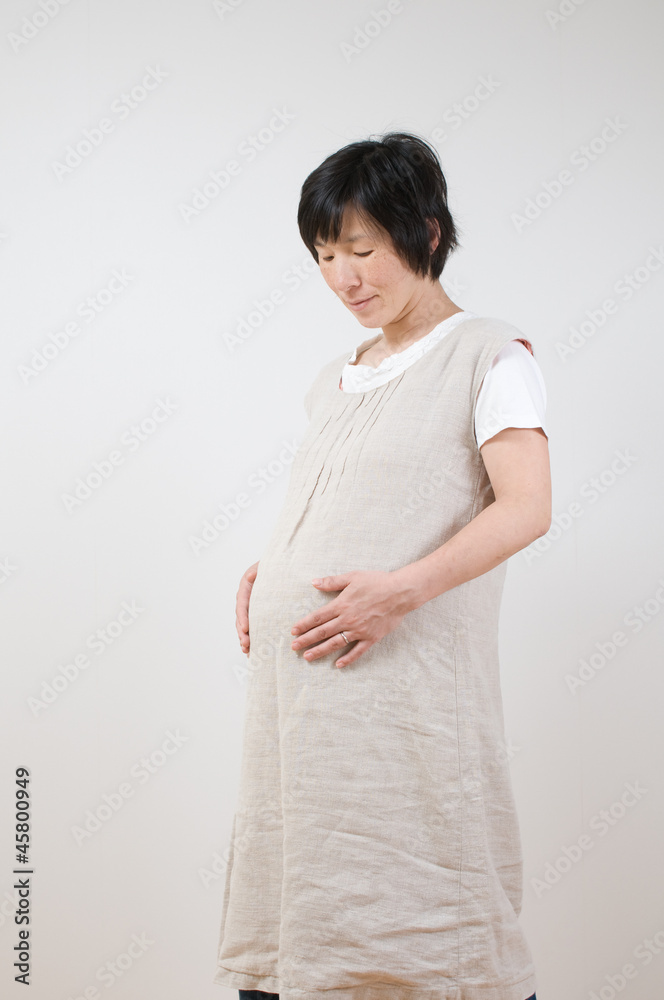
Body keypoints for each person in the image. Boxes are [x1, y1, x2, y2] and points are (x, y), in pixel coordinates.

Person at [212, 131, 549, 1000]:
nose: (344, 278)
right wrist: (271, 566)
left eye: (361, 250)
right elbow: (361, 501)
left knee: (427, 916)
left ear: (425, 233)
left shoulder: (489, 355)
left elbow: (526, 506)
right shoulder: (338, 376)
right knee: (302, 905)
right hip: (302, 704)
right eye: (325, 256)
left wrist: (399, 594)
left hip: (404, 696)